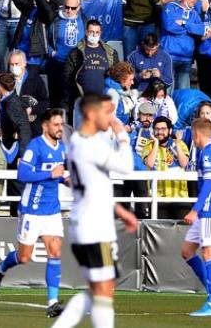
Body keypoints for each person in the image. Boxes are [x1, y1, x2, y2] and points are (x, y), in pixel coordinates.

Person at [51, 93, 139, 328]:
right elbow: (126, 167)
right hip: (94, 227)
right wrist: (121, 134)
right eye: (106, 112)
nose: (110, 117)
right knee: (103, 291)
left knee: (100, 289)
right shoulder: (89, 145)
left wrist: (122, 212)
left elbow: (96, 188)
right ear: (91, 113)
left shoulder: (79, 143)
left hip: (89, 223)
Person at [0, 107, 68, 317]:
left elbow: (57, 174)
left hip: (51, 209)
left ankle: (52, 303)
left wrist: (66, 180)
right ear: (45, 126)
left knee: (55, 251)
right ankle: (1, 269)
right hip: (32, 209)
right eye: (56, 124)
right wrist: (51, 173)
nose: (60, 128)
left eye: (61, 124)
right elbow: (23, 173)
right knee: (24, 257)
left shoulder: (61, 148)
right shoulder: (35, 146)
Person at [181, 118, 211, 318]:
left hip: (210, 209)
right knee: (187, 251)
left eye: (193, 134)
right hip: (209, 210)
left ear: (197, 134)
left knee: (209, 253)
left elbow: (209, 184)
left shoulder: (208, 152)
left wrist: (195, 209)